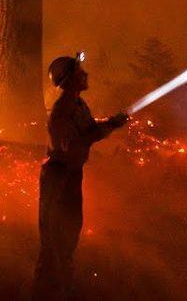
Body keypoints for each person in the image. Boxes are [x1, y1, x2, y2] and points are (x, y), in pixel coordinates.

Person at [32, 52, 129, 299]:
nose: (85, 75)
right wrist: (107, 127)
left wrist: (111, 122)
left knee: (69, 233)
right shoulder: (62, 109)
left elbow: (88, 128)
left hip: (70, 175)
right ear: (70, 80)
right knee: (54, 239)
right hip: (58, 177)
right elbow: (74, 142)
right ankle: (45, 292)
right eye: (79, 72)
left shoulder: (77, 104)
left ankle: (61, 288)